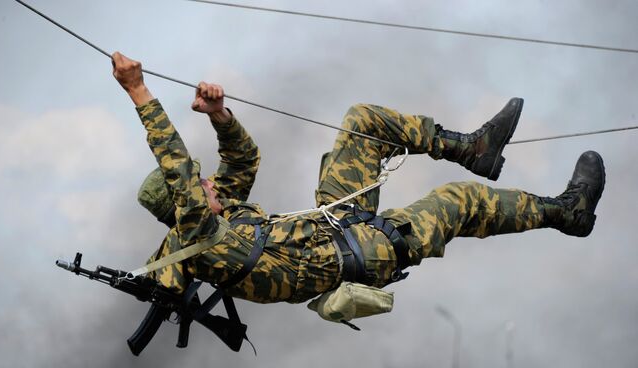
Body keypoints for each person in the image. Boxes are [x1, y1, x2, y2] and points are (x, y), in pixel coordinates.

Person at [112, 51, 605, 306]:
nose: (212, 184)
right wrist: (138, 90)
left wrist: (219, 114)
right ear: (184, 206)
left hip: (338, 223)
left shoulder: (225, 218)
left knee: (362, 120)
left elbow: (243, 160)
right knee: (460, 202)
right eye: (202, 187)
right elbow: (177, 167)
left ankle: (470, 148)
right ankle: (569, 212)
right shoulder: (201, 239)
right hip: (362, 253)